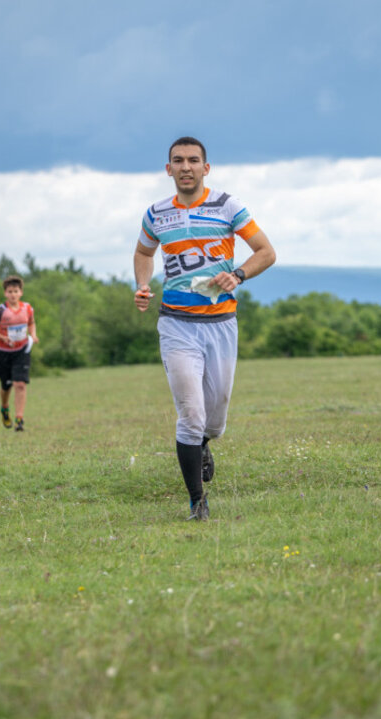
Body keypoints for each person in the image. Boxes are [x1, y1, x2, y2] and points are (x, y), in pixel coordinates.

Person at [132, 137, 276, 521]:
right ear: (169, 169)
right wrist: (142, 285)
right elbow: (144, 253)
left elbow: (266, 251)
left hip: (221, 324)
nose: (186, 167)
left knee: (214, 420)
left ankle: (204, 443)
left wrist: (239, 274)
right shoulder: (156, 213)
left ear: (205, 168)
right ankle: (197, 500)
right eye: (178, 161)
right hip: (177, 324)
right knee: (190, 414)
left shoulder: (228, 206)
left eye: (193, 160)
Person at [0, 274, 39, 431]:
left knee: (20, 384)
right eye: (10, 291)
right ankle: (4, 408)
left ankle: (19, 419)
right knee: (6, 385)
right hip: (2, 351)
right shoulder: (0, 310)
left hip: (22, 350)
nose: (13, 294)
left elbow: (31, 322)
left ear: (21, 292)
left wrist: (33, 335)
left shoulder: (27, 308)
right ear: (5, 293)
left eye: (16, 291)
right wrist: (2, 337)